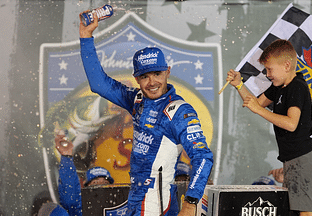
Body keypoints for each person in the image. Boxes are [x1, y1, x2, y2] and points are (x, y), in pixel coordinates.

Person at [78, 11, 214, 216]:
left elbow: (203, 157)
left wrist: (191, 202)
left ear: (168, 71)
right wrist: (85, 36)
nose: (152, 83)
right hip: (136, 198)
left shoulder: (179, 111)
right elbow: (99, 84)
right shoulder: (137, 100)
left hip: (158, 204)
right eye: (144, 76)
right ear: (136, 78)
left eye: (157, 74)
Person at [226, 39, 312, 216]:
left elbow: (291, 124)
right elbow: (256, 103)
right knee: (294, 212)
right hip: (292, 159)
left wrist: (259, 110)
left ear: (286, 65)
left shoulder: (297, 87)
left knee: (306, 213)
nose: (268, 74)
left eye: (270, 69)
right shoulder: (279, 86)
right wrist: (239, 85)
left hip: (303, 159)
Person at [55, 134, 115, 216]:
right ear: (86, 186)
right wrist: (66, 156)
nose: (100, 187)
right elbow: (70, 198)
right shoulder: (81, 210)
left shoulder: (120, 208)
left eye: (105, 183)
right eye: (95, 183)